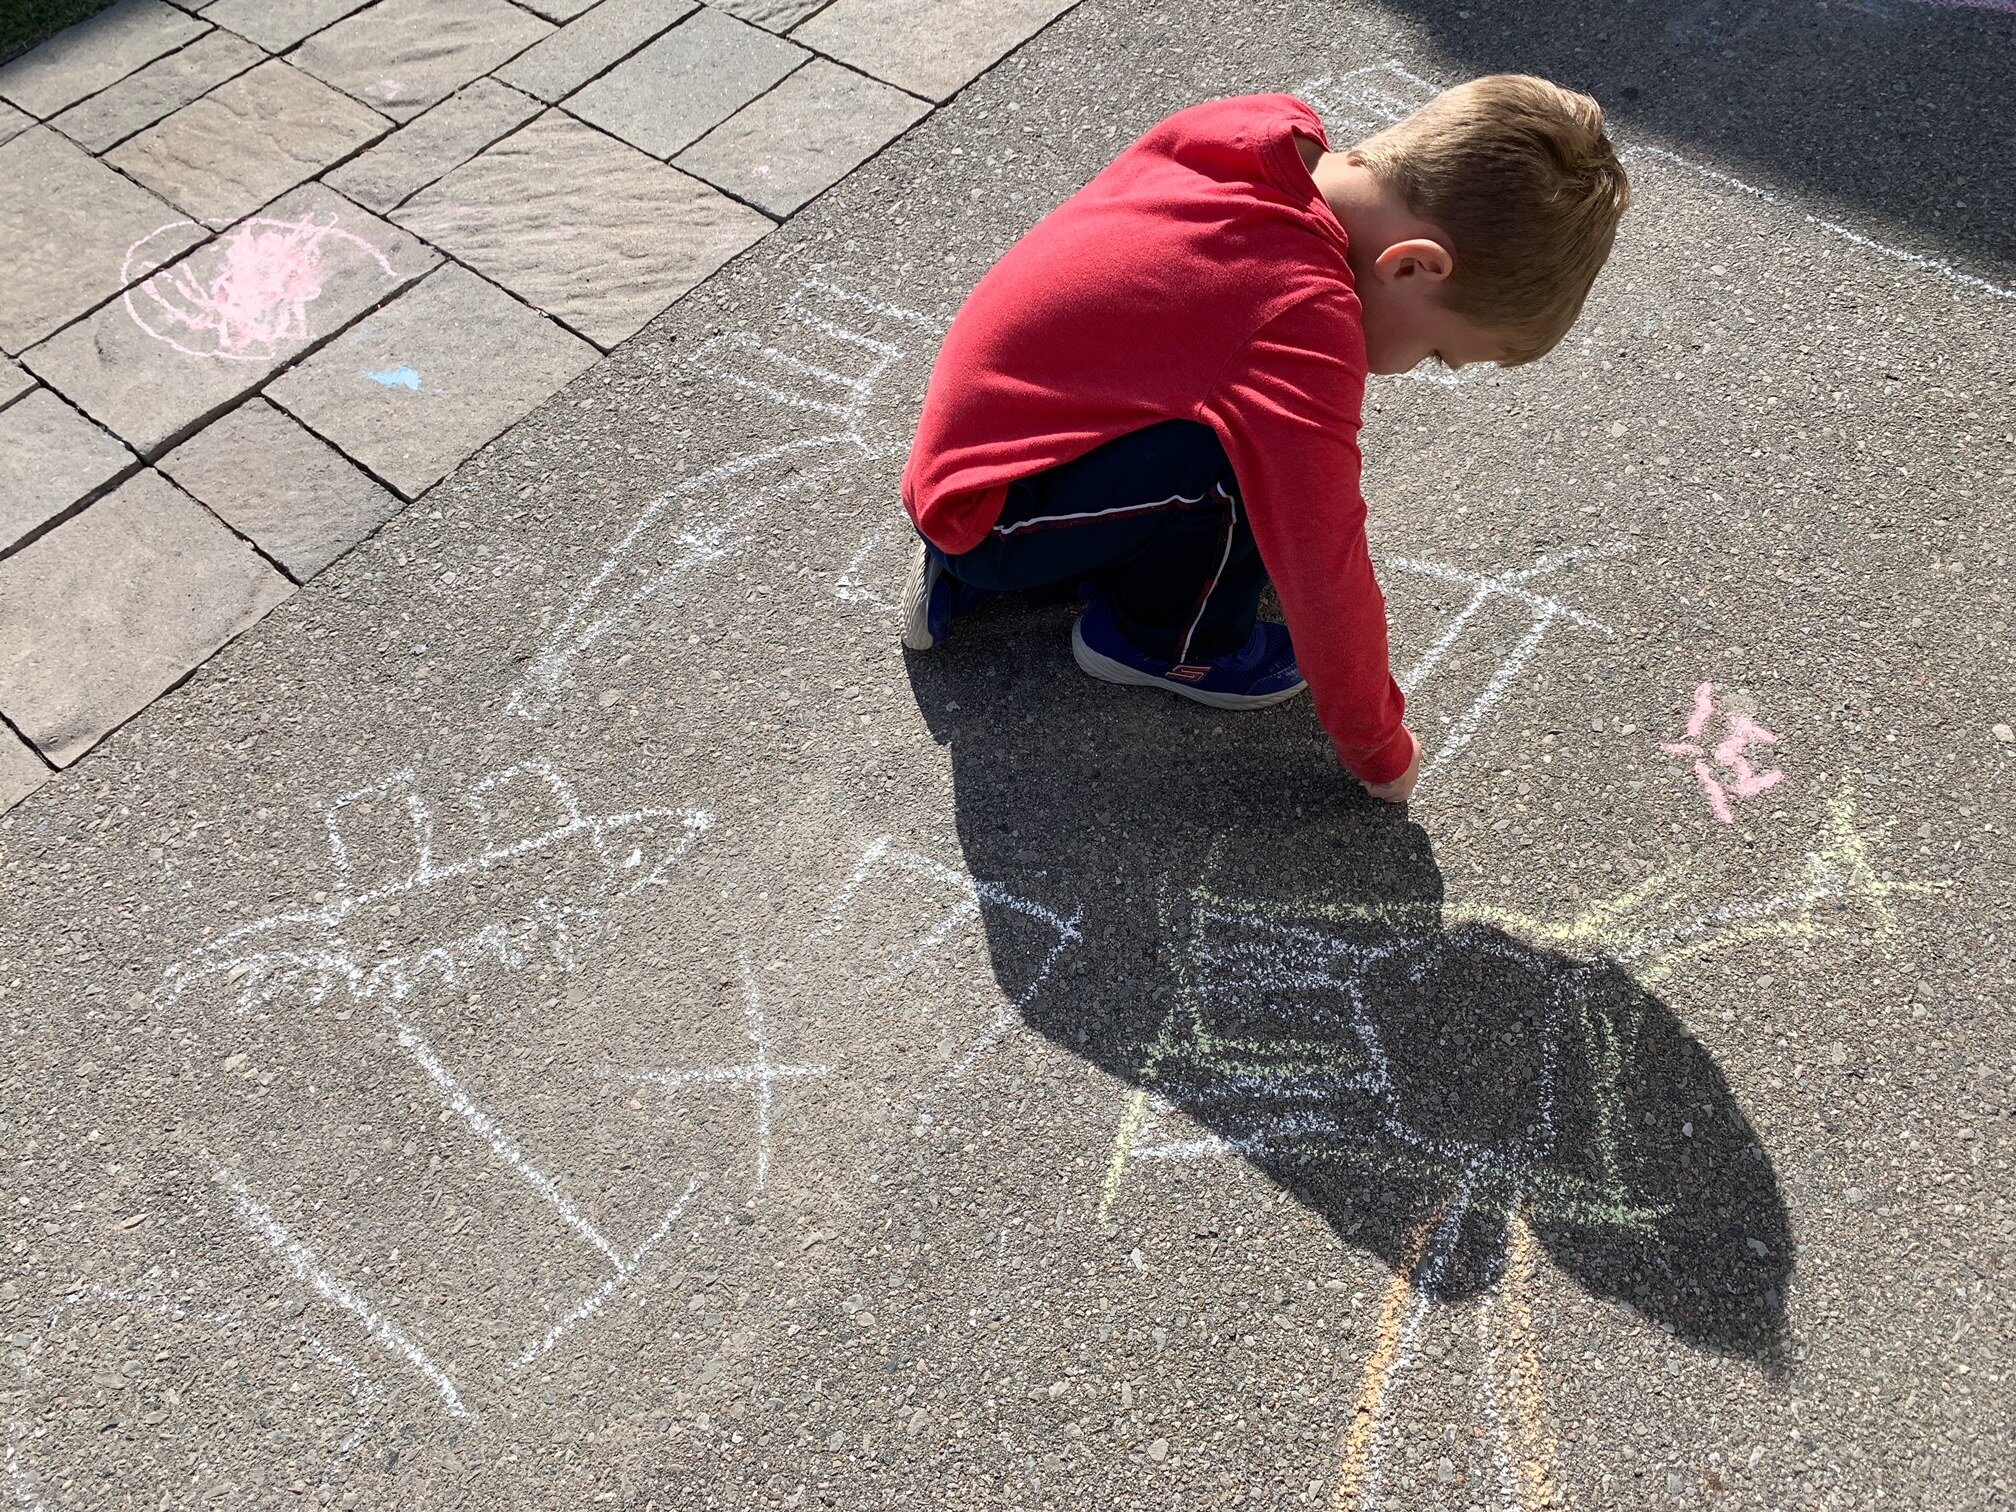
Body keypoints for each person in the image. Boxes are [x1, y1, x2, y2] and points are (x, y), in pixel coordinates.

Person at [898, 75, 1630, 803]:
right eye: (1440, 352)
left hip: (988, 444)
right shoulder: (1298, 317)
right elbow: (1321, 556)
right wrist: (1380, 749)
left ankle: (987, 561)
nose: (1424, 370)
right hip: (994, 510)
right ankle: (1165, 644)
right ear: (1412, 264)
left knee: (1229, 433)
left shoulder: (1260, 132)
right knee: (1250, 466)